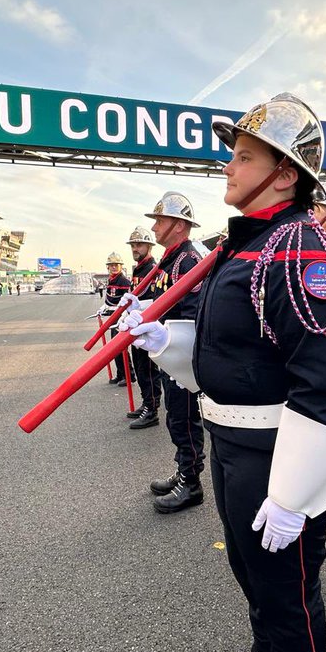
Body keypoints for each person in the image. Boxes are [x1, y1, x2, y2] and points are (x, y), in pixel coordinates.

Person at [121, 93, 326, 652]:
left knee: (287, 588)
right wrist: (167, 338)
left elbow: (322, 383)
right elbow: (232, 347)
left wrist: (294, 494)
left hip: (275, 450)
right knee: (253, 579)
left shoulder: (301, 250)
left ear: (285, 173)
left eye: (244, 157)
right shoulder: (249, 243)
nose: (228, 169)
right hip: (230, 439)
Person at [131, 191, 208, 514]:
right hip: (167, 349)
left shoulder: (188, 260)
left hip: (180, 352)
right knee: (176, 418)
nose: (156, 226)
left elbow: (190, 313)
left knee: (184, 418)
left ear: (178, 225)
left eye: (160, 220)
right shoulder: (171, 260)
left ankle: (191, 483)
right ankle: (182, 469)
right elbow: (167, 303)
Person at [125, 226, 164, 429]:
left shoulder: (151, 268)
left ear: (149, 246)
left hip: (146, 327)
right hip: (137, 325)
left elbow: (154, 300)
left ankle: (152, 409)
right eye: (132, 245)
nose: (135, 248)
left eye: (139, 244)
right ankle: (148, 403)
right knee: (141, 369)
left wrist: (136, 311)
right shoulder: (139, 268)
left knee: (148, 370)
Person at [100, 253, 132, 386]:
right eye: (111, 265)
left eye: (116, 265)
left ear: (120, 266)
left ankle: (129, 375)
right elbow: (110, 299)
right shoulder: (111, 280)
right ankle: (120, 374)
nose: (113, 268)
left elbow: (127, 301)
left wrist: (122, 314)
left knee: (120, 348)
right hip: (114, 317)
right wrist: (104, 307)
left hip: (121, 317)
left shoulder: (123, 281)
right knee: (114, 348)